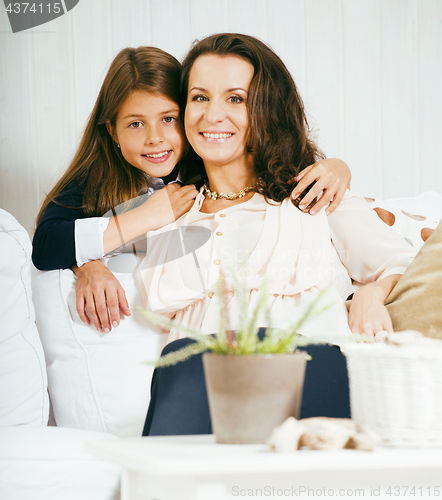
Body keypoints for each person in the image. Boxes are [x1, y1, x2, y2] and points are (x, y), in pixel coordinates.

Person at [139, 33, 417, 435]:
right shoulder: (169, 211)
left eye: (236, 98)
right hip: (202, 392)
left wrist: (371, 293)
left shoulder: (313, 194)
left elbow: (403, 261)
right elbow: (71, 229)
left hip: (310, 374)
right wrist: (89, 266)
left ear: (266, 109)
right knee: (187, 361)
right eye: (199, 97)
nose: (213, 114)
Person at [32, 46, 352, 334]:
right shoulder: (98, 176)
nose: (155, 138)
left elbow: (279, 167)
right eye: (135, 124)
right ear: (112, 130)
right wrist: (91, 262)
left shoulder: (204, 164)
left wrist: (338, 167)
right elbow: (47, 244)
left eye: (169, 118)